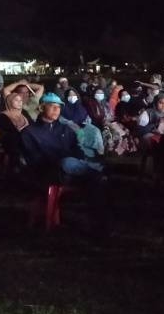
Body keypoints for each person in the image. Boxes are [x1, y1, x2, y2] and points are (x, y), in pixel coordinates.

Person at [19, 93, 108, 229]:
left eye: (59, 107)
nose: (56, 110)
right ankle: (97, 171)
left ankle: (99, 223)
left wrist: (74, 158)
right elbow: (33, 159)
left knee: (92, 179)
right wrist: (59, 160)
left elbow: (77, 149)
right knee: (71, 164)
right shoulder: (30, 132)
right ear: (42, 108)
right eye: (52, 106)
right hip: (48, 172)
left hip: (70, 172)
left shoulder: (65, 129)